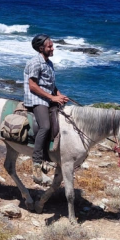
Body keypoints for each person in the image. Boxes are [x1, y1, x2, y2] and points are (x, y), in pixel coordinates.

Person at [24, 34, 69, 184]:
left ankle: (51, 155)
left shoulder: (49, 63)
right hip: (36, 99)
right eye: (50, 46)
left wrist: (58, 94)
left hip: (48, 97)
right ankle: (37, 163)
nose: (53, 48)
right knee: (45, 126)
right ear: (40, 48)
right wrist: (52, 98)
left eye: (52, 46)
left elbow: (50, 84)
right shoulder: (35, 63)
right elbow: (33, 86)